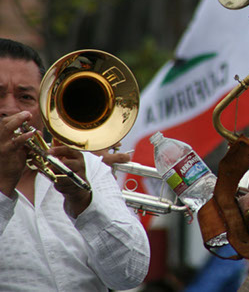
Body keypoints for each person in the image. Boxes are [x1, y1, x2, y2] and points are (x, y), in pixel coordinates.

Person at [0, 38, 150, 291]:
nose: (11, 109)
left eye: (26, 97)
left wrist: (83, 201)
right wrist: (3, 184)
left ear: (44, 108)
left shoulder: (87, 168)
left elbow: (129, 274)